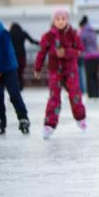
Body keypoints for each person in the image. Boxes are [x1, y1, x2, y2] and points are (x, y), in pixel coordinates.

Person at [34, 9, 87, 139]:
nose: (60, 21)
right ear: (53, 20)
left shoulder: (73, 34)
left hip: (70, 71)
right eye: (57, 19)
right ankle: (49, 125)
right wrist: (38, 68)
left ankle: (80, 117)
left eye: (63, 19)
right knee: (54, 98)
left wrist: (67, 52)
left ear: (67, 20)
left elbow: (80, 51)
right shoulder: (47, 36)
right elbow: (41, 53)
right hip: (54, 71)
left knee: (75, 94)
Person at [9, 23, 39, 90]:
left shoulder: (9, 34)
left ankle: (14, 87)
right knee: (20, 72)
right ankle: (20, 87)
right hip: (21, 55)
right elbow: (32, 41)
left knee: (14, 73)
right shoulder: (23, 33)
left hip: (12, 56)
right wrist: (41, 43)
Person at [79, 16, 99, 99]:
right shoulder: (93, 31)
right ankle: (97, 93)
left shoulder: (83, 32)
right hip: (97, 55)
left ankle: (91, 94)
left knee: (89, 76)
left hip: (88, 56)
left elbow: (81, 44)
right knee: (95, 75)